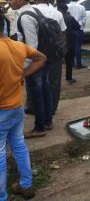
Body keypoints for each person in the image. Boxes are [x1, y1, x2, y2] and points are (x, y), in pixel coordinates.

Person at [0, 13, 46, 200]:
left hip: (2, 110)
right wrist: (23, 74)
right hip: (16, 107)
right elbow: (41, 57)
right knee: (18, 145)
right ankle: (25, 184)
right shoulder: (17, 46)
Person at [6, 0, 53, 138]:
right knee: (44, 89)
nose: (8, 2)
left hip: (35, 61)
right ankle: (47, 121)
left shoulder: (25, 17)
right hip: (44, 57)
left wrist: (24, 68)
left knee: (36, 93)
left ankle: (40, 127)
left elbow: (31, 46)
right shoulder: (34, 10)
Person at [34, 0, 67, 115]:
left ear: (36, 0)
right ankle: (52, 107)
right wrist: (62, 51)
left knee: (36, 80)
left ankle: (35, 107)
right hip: (54, 51)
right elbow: (63, 33)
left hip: (36, 50)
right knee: (54, 80)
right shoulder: (57, 13)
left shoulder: (31, 10)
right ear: (49, 0)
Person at [57, 3, 80, 85]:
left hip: (58, 43)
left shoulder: (55, 17)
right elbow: (77, 27)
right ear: (66, 10)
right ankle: (69, 78)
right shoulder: (70, 18)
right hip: (69, 42)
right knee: (69, 62)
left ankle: (56, 80)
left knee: (56, 63)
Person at [67, 0, 87, 69]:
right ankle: (78, 64)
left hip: (69, 28)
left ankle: (71, 63)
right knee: (78, 46)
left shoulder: (67, 6)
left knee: (70, 46)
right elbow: (84, 18)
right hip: (78, 28)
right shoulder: (81, 7)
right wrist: (81, 28)